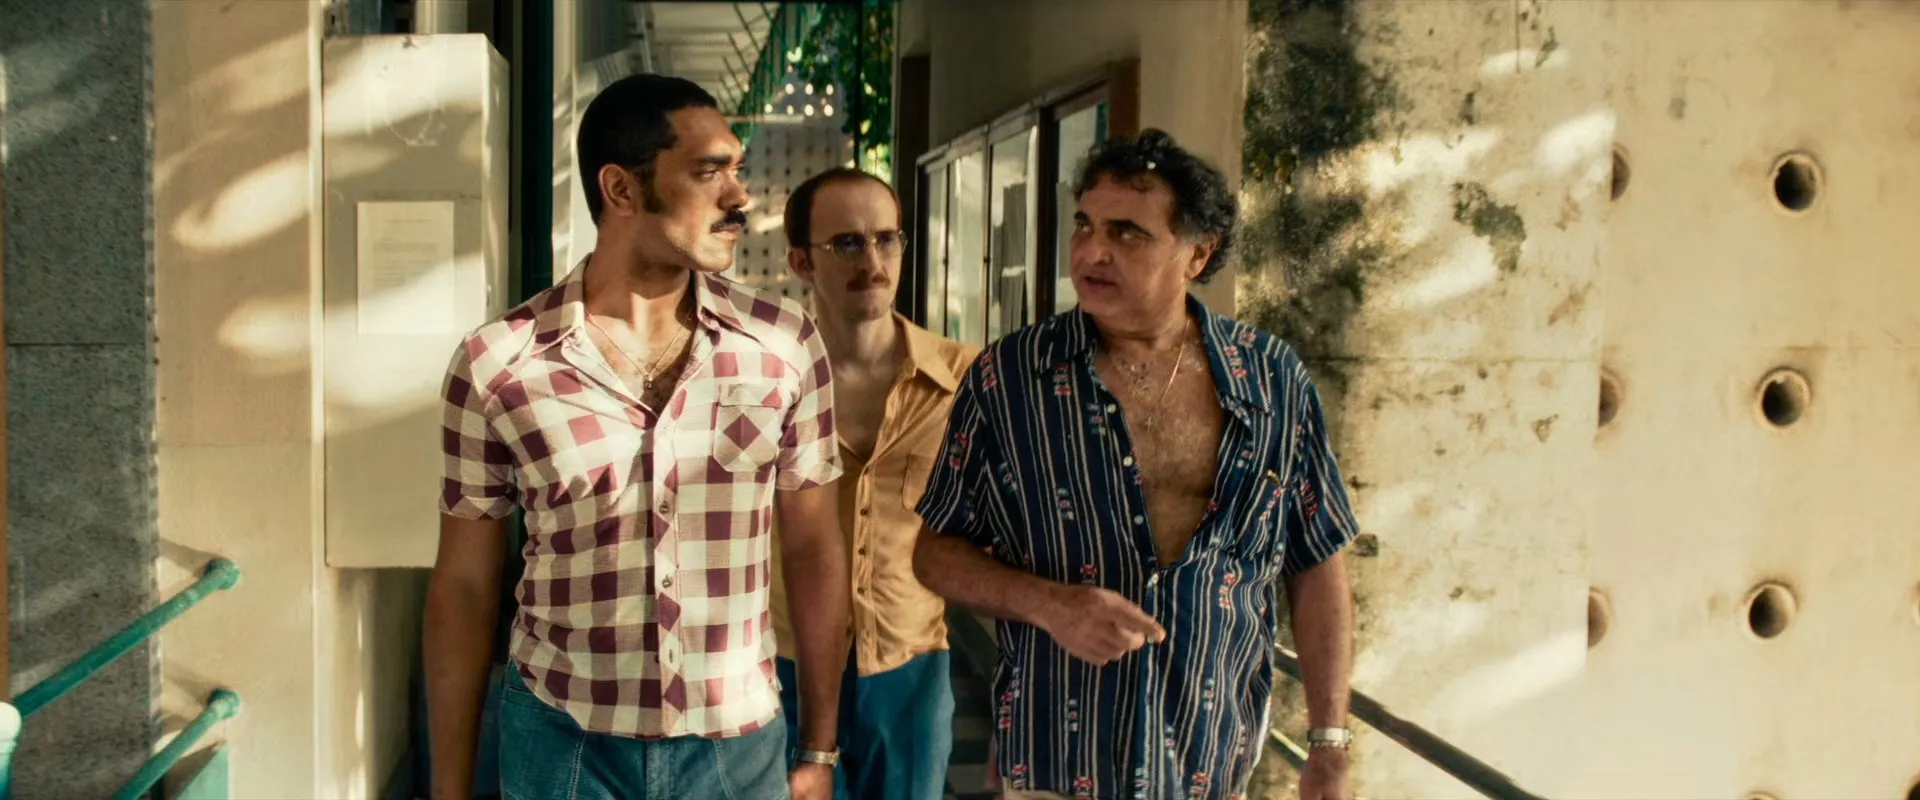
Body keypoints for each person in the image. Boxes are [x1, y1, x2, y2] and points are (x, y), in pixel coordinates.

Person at [424, 73, 850, 800]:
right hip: (563, 742)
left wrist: (820, 747)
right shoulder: (498, 365)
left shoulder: (783, 345)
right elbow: (464, 587)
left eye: (737, 168)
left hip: (735, 748)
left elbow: (813, 548)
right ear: (621, 189)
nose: (740, 196)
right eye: (709, 171)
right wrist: (450, 789)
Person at [911, 129, 1360, 800]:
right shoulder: (1011, 378)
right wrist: (1051, 605)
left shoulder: (1271, 379)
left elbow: (1317, 560)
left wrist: (1328, 744)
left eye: (1127, 233)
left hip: (1211, 761)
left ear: (1197, 254)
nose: (1092, 251)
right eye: (1085, 225)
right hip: (1058, 759)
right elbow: (934, 552)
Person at [768, 167, 979, 800]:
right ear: (802, 261)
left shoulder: (964, 380)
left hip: (910, 666)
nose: (873, 261)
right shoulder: (767, 382)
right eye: (847, 244)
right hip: (784, 665)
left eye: (887, 239)